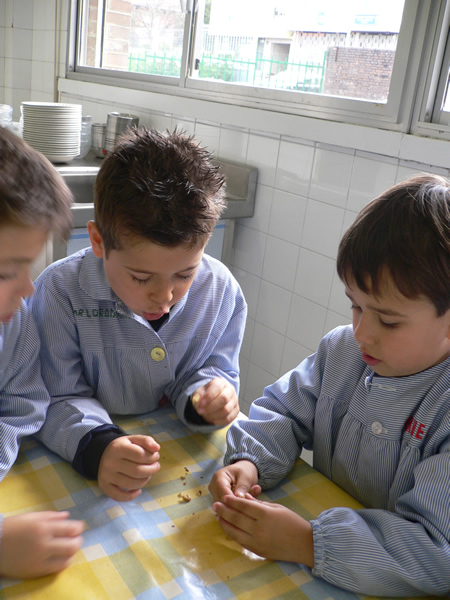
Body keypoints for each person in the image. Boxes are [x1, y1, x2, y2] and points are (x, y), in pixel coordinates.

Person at [209, 173, 450, 597]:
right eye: (355, 306)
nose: (362, 332)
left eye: (388, 321)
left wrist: (309, 542)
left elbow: (435, 553)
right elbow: (283, 412)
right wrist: (249, 462)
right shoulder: (342, 352)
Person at [29, 127, 247, 503]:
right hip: (84, 456)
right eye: (141, 278)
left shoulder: (220, 290)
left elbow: (215, 366)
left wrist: (209, 397)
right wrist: (98, 446)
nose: (165, 296)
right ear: (98, 241)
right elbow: (56, 394)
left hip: (180, 457)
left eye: (185, 274)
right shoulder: (60, 292)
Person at [0, 128, 84, 579]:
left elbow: (20, 401)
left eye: (27, 268)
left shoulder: (12, 326)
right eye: (4, 274)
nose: (28, 289)